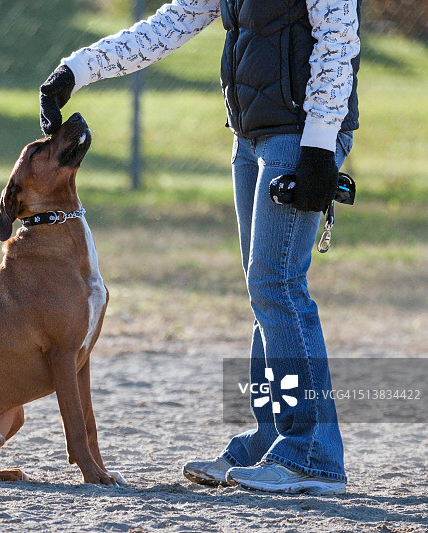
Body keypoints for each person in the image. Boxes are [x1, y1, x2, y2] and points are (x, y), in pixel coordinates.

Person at [39, 0, 360, 495]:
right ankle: (273, 434)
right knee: (266, 293)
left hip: (299, 138)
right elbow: (173, 22)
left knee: (277, 285)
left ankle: (311, 452)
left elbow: (338, 39)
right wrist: (77, 70)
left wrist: (319, 147)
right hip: (252, 139)